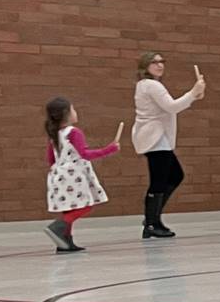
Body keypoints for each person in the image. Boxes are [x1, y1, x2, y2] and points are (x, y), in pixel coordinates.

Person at [132, 50, 205, 239]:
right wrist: (192, 92)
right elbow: (172, 107)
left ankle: (152, 218)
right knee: (160, 180)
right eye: (154, 62)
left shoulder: (146, 85)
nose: (160, 65)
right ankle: (151, 223)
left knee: (174, 175)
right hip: (155, 138)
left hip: (157, 137)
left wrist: (194, 96)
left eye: (161, 61)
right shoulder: (152, 86)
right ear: (145, 66)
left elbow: (171, 106)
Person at [43, 97, 123, 253]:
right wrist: (110, 149)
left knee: (69, 208)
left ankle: (65, 242)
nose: (75, 112)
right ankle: (58, 227)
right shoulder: (74, 132)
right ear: (66, 113)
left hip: (58, 175)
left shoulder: (55, 135)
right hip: (74, 176)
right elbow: (84, 154)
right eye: (73, 109)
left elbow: (51, 160)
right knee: (86, 205)